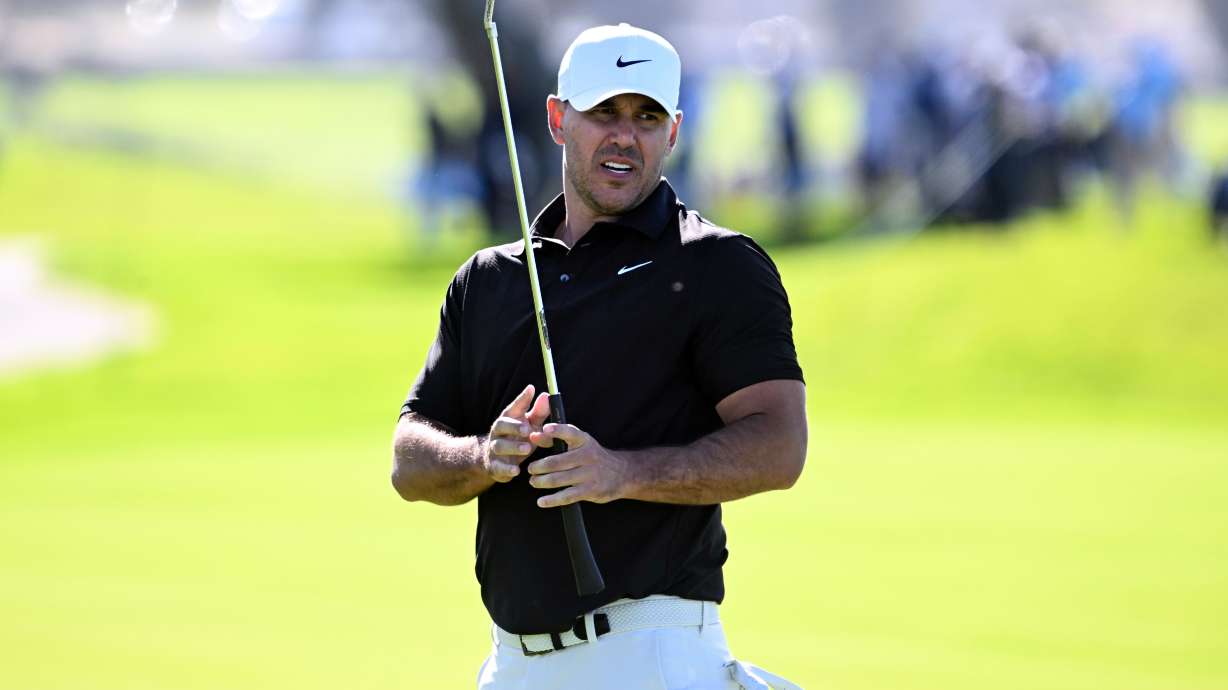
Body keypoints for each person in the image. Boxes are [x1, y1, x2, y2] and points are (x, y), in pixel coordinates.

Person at [391, 23, 807, 690]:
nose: (624, 136)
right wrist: (482, 459)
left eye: (646, 117)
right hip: (512, 665)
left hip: (654, 655)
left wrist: (621, 472)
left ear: (673, 131)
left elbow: (780, 444)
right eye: (603, 112)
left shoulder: (717, 266)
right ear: (559, 119)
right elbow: (409, 459)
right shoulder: (489, 281)